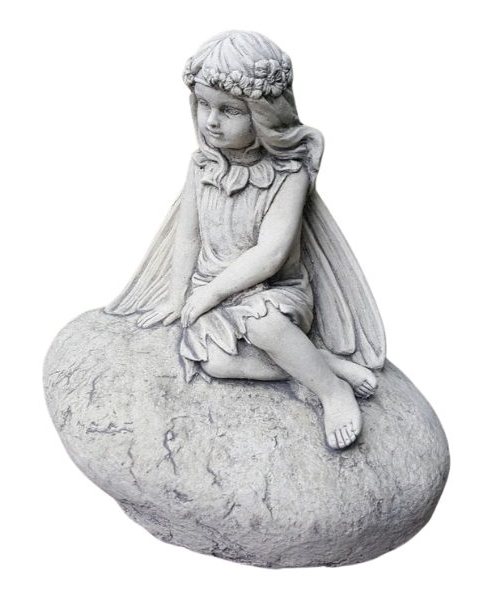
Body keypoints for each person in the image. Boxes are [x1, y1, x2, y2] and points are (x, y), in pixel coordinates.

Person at [106, 31, 386, 450]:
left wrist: (212, 293)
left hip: (272, 292)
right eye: (203, 104)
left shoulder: (288, 175)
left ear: (263, 114)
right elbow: (188, 235)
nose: (211, 120)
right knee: (216, 361)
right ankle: (321, 363)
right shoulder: (202, 165)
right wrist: (178, 297)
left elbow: (271, 253)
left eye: (229, 110)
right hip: (212, 290)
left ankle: (331, 391)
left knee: (264, 324)